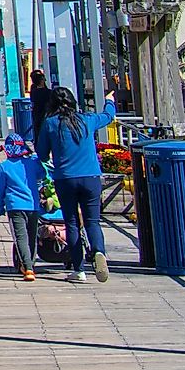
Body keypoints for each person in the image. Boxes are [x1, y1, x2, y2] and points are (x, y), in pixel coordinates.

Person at [36, 87, 118, 283]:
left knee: (71, 223)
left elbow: (41, 154)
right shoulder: (87, 120)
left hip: (65, 179)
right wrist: (109, 100)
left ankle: (79, 270)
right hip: (91, 177)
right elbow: (108, 116)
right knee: (92, 221)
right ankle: (99, 253)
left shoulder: (50, 124)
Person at [0, 134, 45, 282]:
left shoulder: (4, 167)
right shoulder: (32, 163)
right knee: (32, 236)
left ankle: (27, 267)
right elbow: (43, 174)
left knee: (21, 237)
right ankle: (30, 265)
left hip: (15, 206)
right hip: (33, 205)